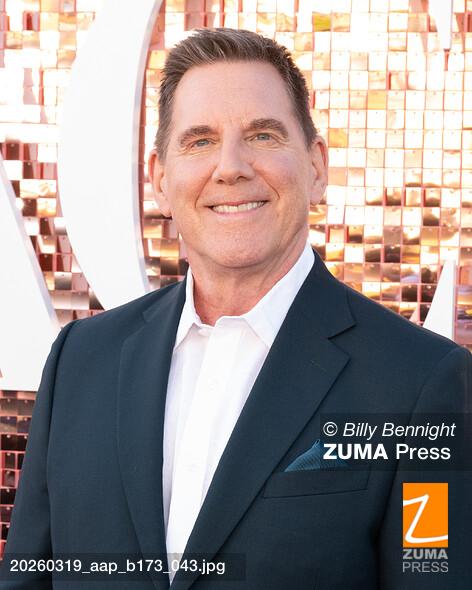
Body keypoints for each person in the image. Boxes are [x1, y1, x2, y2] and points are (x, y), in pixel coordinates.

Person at [1, 28, 471, 590]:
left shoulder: (420, 383)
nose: (231, 167)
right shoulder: (81, 361)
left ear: (316, 167)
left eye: (263, 135)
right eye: (199, 141)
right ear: (160, 179)